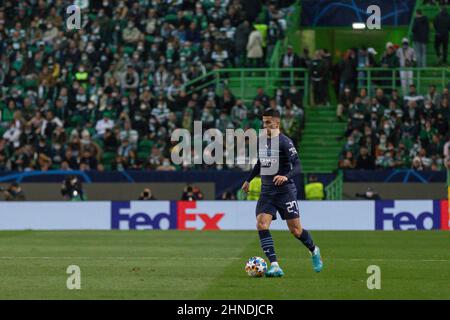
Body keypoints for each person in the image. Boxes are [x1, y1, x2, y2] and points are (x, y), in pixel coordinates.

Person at [241, 109, 323, 277]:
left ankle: (314, 250)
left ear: (277, 123)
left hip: (285, 192)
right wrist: (249, 179)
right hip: (267, 191)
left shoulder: (286, 142)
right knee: (261, 224)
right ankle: (275, 265)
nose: (265, 126)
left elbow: (299, 167)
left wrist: (285, 176)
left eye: (268, 123)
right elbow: (260, 163)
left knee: (296, 231)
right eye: (263, 122)